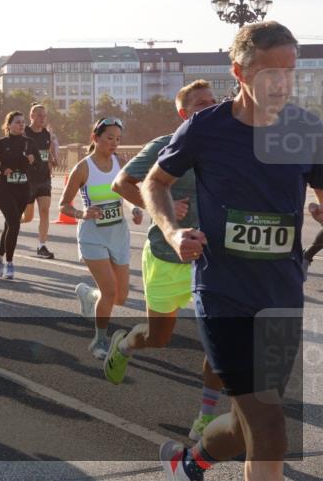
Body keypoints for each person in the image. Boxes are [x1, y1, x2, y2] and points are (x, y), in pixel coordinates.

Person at [142, 22, 323, 481]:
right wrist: (172, 230)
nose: (282, 83)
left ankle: (188, 464)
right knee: (270, 427)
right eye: (270, 73)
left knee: (250, 426)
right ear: (239, 73)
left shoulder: (305, 130)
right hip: (224, 293)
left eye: (290, 72)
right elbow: (154, 183)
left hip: (280, 294)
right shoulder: (206, 128)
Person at [108, 80, 223, 441]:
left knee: (218, 340)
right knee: (159, 337)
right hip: (164, 256)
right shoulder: (165, 145)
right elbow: (122, 184)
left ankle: (205, 416)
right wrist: (164, 210)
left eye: (212, 102)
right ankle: (124, 344)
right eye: (200, 104)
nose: (208, 107)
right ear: (183, 112)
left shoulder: (229, 148)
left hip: (210, 259)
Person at [61, 118, 143, 359]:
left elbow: (127, 194)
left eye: (118, 139)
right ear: (95, 138)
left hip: (118, 234)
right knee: (109, 292)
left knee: (121, 296)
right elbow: (63, 205)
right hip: (92, 236)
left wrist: (134, 208)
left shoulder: (121, 162)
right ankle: (99, 340)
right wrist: (81, 213)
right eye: (109, 138)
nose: (114, 143)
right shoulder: (83, 168)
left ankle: (90, 296)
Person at [0, 112, 40, 279]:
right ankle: (9, 263)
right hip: (4, 189)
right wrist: (2, 169)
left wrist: (33, 161)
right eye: (17, 122)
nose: (21, 125)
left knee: (10, 225)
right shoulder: (1, 143)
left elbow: (39, 165)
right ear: (8, 125)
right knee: (14, 223)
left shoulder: (29, 143)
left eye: (23, 122)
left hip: (23, 189)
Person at [22, 104, 59, 259]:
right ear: (32, 116)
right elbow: (18, 152)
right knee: (28, 217)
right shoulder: (24, 133)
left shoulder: (47, 134)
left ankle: (41, 246)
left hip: (44, 179)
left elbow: (48, 153)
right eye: (39, 116)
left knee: (44, 212)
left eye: (44, 116)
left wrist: (52, 159)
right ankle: (12, 222)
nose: (42, 118)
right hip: (28, 180)